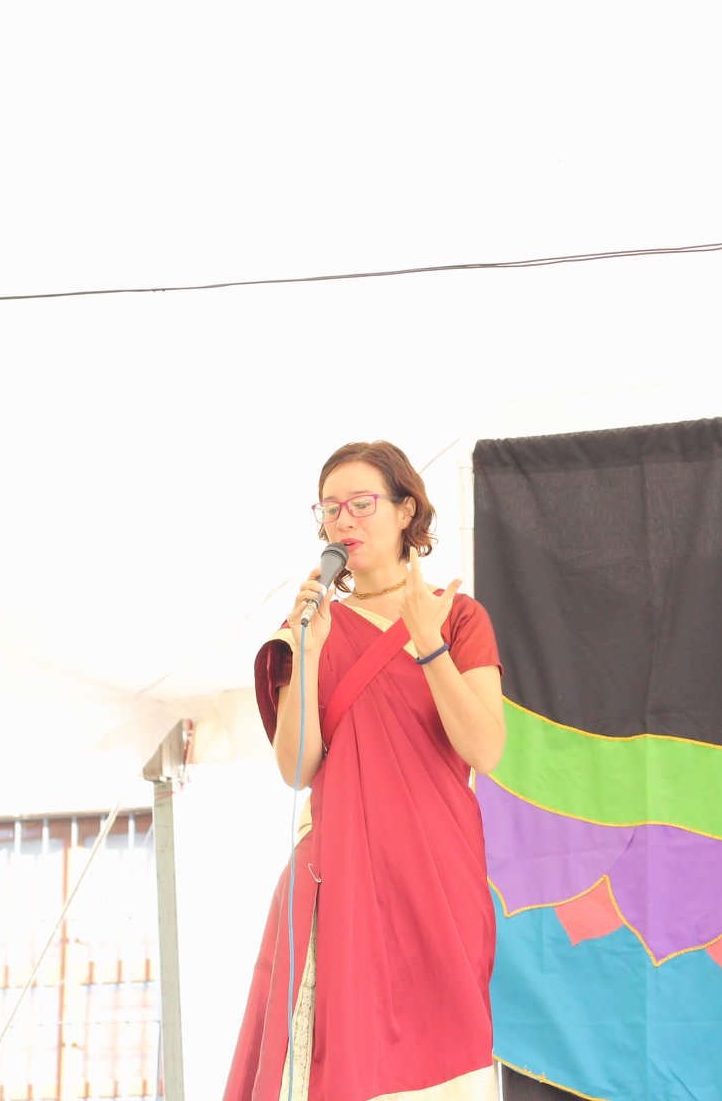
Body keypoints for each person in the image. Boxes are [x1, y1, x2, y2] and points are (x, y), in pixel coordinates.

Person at [224, 440, 506, 1101]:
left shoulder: (458, 617)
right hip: (338, 872)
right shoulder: (311, 622)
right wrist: (308, 650)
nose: (342, 520)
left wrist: (428, 643)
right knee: (337, 1059)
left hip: (436, 872)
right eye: (329, 509)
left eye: (360, 503)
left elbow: (485, 749)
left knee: (443, 1052)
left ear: (407, 511)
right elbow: (297, 767)